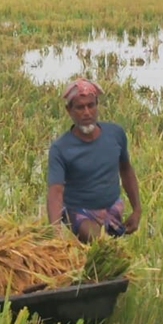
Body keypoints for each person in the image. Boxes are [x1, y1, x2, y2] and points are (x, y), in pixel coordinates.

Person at [46, 78, 141, 243]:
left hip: (112, 207)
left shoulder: (115, 134)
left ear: (97, 106)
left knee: (109, 247)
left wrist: (137, 209)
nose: (87, 113)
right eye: (80, 107)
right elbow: (55, 191)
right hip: (78, 211)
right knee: (97, 242)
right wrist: (55, 232)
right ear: (69, 110)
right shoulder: (60, 148)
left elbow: (126, 170)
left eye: (91, 105)